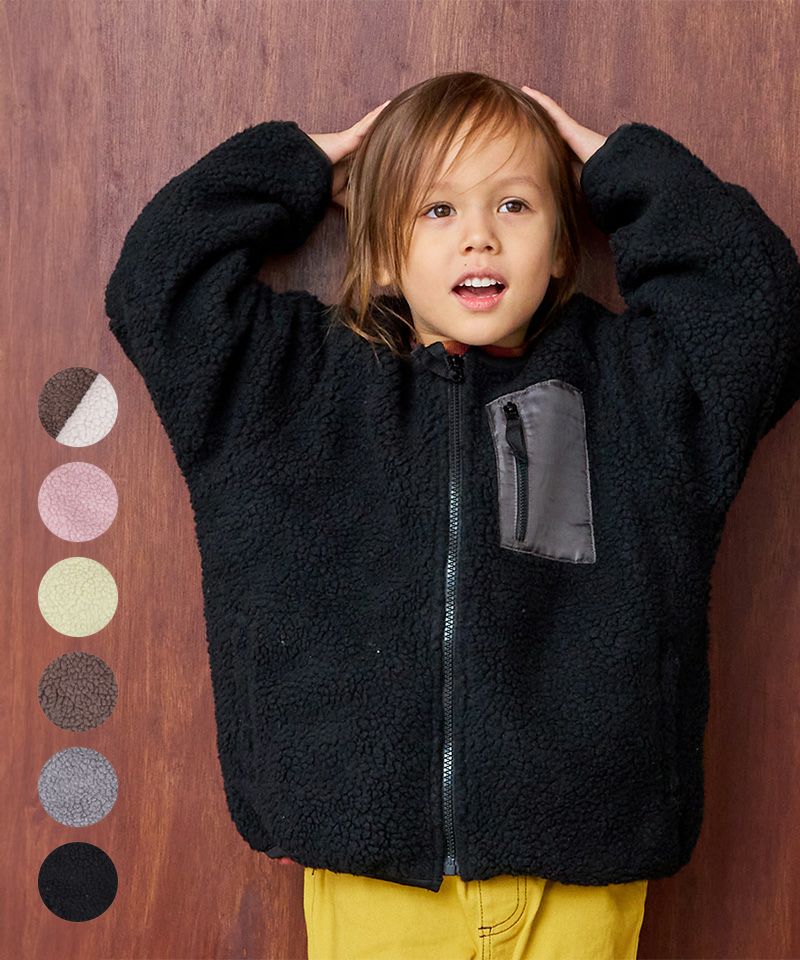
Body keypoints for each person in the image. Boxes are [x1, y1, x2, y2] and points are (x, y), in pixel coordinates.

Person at [104, 72, 800, 959]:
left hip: (581, 866)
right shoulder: (290, 387)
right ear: (380, 253)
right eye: (437, 209)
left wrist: (619, 169)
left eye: (515, 204)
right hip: (374, 875)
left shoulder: (638, 392)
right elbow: (159, 283)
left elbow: (756, 312)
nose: (479, 235)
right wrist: (299, 165)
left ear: (563, 244)